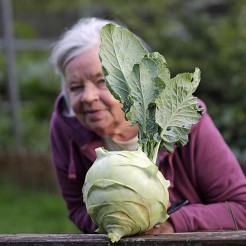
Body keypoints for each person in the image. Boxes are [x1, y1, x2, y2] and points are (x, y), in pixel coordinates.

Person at [49, 17, 246, 234]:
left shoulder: (184, 117)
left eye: (102, 81)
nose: (88, 97)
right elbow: (77, 207)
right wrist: (116, 221)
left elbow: (240, 208)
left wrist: (171, 223)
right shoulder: (65, 126)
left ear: (133, 83)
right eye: (75, 87)